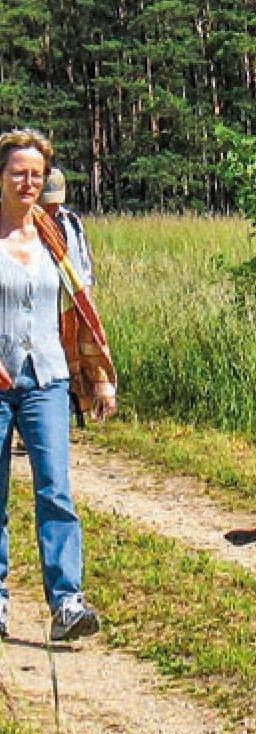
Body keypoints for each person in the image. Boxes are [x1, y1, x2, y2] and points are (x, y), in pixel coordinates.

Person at [0, 128, 117, 643]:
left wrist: (97, 378)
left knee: (56, 491)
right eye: (18, 172)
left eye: (36, 174)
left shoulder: (56, 236)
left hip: (47, 377)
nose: (28, 182)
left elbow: (78, 310)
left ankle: (67, 602)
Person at [40, 166, 96, 291]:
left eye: (55, 203)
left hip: (72, 298)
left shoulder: (72, 221)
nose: (52, 207)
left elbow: (85, 264)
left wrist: (86, 292)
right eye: (47, 203)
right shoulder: (24, 225)